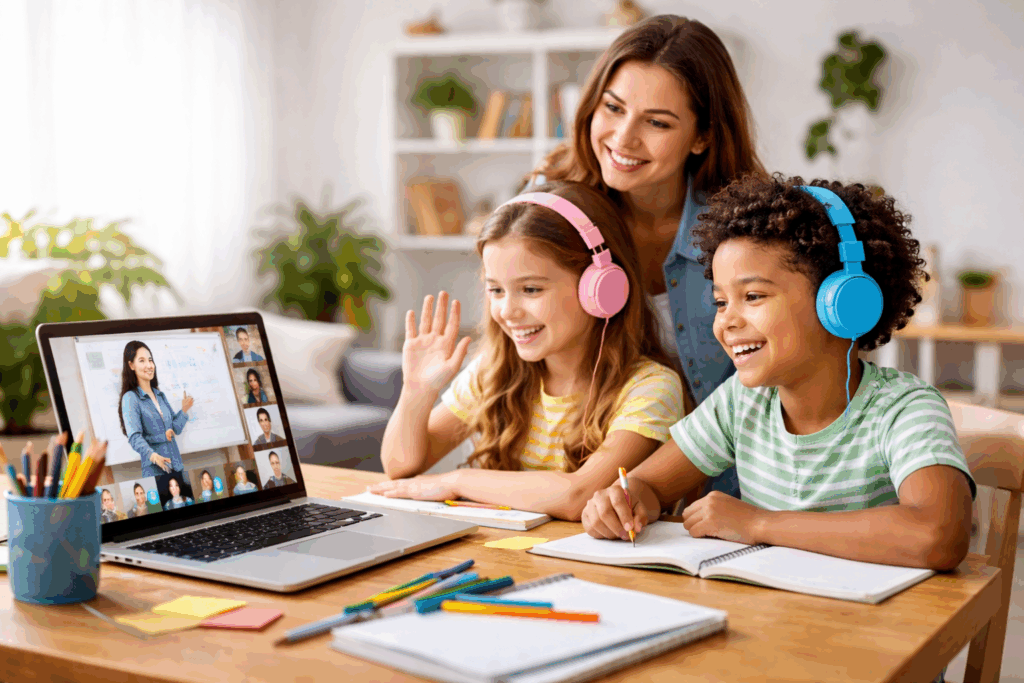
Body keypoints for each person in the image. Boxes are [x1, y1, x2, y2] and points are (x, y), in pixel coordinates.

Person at [582, 175, 976, 578]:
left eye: (752, 296)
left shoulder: (904, 410)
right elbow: (648, 487)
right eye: (720, 301)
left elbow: (938, 535)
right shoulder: (742, 401)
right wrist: (622, 501)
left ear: (839, 302)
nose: (726, 322)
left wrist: (759, 524)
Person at [525, 15, 767, 503]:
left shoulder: (749, 229)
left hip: (731, 493)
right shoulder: (553, 210)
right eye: (612, 108)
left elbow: (781, 380)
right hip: (591, 488)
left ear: (702, 137)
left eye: (657, 122)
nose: (623, 138)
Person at [371, 181, 682, 520]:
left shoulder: (651, 387)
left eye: (531, 289)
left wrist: (456, 480)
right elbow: (399, 467)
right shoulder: (494, 371)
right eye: (496, 290)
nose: (507, 311)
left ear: (601, 288)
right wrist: (417, 391)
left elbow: (579, 494)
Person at [118, 341, 195, 477]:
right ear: (131, 365)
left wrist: (184, 410)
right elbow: (134, 436)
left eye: (150, 360)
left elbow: (175, 429)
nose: (149, 365)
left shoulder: (159, 395)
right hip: (155, 470)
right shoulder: (130, 398)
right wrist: (153, 456)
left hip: (177, 466)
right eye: (142, 361)